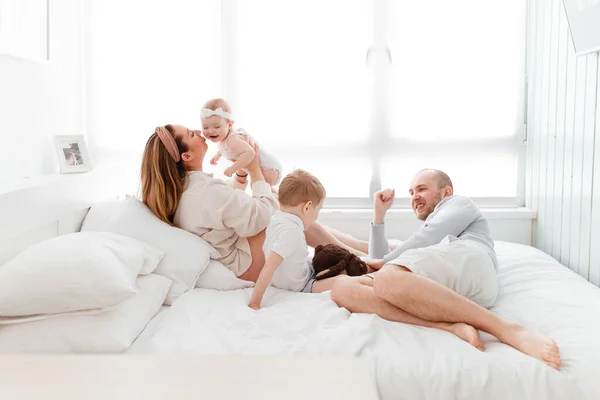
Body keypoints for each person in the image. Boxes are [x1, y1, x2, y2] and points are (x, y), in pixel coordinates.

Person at [330, 169, 561, 370]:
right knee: (341, 288)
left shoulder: (459, 203)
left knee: (388, 277)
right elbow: (379, 260)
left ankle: (507, 329)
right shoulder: (426, 243)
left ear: (446, 192)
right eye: (411, 193)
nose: (414, 197)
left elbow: (417, 242)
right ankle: (449, 325)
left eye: (421, 189)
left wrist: (387, 262)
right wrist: (379, 215)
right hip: (436, 293)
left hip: (471, 263)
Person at [140, 124, 366, 284]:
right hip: (245, 265)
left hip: (235, 254)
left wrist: (241, 175)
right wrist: (255, 170)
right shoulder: (205, 191)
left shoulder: (186, 189)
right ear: (186, 156)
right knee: (288, 211)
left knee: (285, 208)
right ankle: (359, 258)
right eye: (191, 134)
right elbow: (261, 216)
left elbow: (224, 207)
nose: (200, 132)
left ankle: (360, 248)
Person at [248, 170, 340, 310]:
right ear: (307, 207)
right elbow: (269, 268)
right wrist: (255, 303)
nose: (317, 215)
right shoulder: (291, 232)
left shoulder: (276, 219)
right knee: (342, 281)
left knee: (331, 258)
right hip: (304, 284)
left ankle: (367, 263)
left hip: (302, 271)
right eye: (318, 209)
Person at [201, 98, 282, 191]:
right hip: (266, 167)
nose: (210, 131)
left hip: (268, 168)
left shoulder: (232, 140)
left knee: (260, 188)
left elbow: (250, 153)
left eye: (217, 126)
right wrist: (218, 155)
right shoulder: (223, 137)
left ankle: (279, 201)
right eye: (205, 127)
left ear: (230, 125)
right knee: (266, 190)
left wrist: (232, 169)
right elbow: (225, 148)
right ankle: (280, 200)